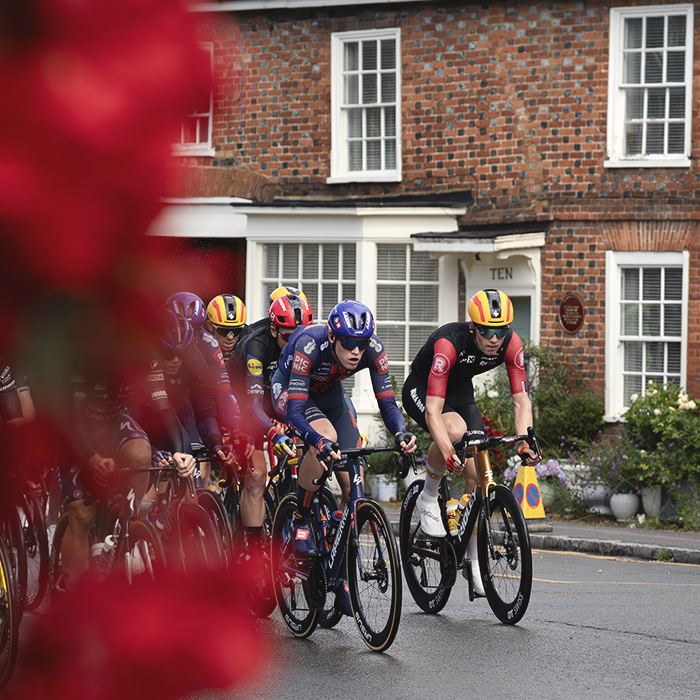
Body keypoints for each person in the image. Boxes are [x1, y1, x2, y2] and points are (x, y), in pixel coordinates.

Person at [402, 288, 539, 595]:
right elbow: (434, 412)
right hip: (424, 389)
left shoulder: (511, 344)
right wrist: (449, 452)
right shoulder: (448, 344)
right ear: (473, 327)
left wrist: (524, 443)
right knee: (454, 430)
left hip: (461, 392)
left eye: (501, 331)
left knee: (477, 476)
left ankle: (474, 560)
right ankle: (428, 495)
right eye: (487, 331)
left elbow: (521, 402)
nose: (495, 339)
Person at [271, 300, 416, 562]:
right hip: (291, 390)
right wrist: (317, 441)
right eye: (348, 343)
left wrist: (400, 433)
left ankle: (338, 545)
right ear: (332, 336)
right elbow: (294, 413)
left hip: (330, 392)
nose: (356, 350)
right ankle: (300, 519)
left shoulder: (372, 349)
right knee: (326, 436)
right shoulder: (309, 345)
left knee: (352, 479)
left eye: (362, 343)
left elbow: (387, 402)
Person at [205, 294, 247, 362]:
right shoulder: (198, 340)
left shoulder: (250, 340)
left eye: (236, 331)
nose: (230, 337)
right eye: (224, 331)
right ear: (210, 326)